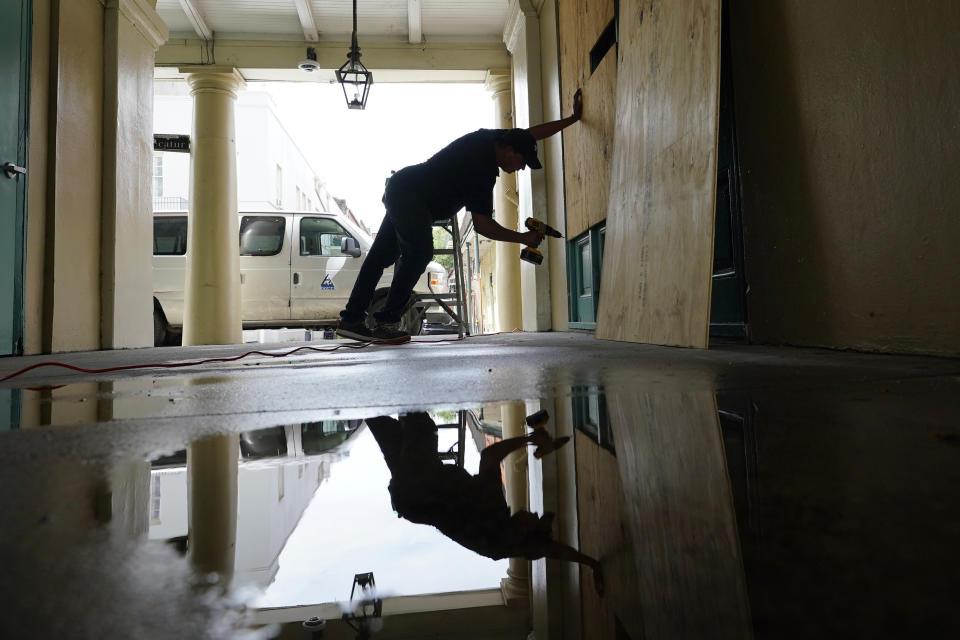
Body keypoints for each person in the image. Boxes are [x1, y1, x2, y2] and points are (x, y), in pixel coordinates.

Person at [337, 89, 585, 342]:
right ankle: (386, 323)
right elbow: (483, 226)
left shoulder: (490, 139)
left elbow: (532, 133)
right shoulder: (482, 169)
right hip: (411, 197)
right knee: (419, 254)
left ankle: (352, 319)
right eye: (523, 161)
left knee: (381, 256)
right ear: (510, 150)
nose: (521, 167)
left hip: (403, 187)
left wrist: (572, 119)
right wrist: (522, 238)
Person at [365, 410, 604, 596]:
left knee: (421, 425)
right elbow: (551, 550)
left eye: (533, 518)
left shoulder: (496, 516)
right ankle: (364, 395)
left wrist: (530, 439)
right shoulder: (507, 545)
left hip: (422, 486)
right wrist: (592, 563)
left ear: (526, 530)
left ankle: (395, 373)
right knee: (388, 429)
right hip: (410, 498)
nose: (530, 512)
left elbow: (489, 456)